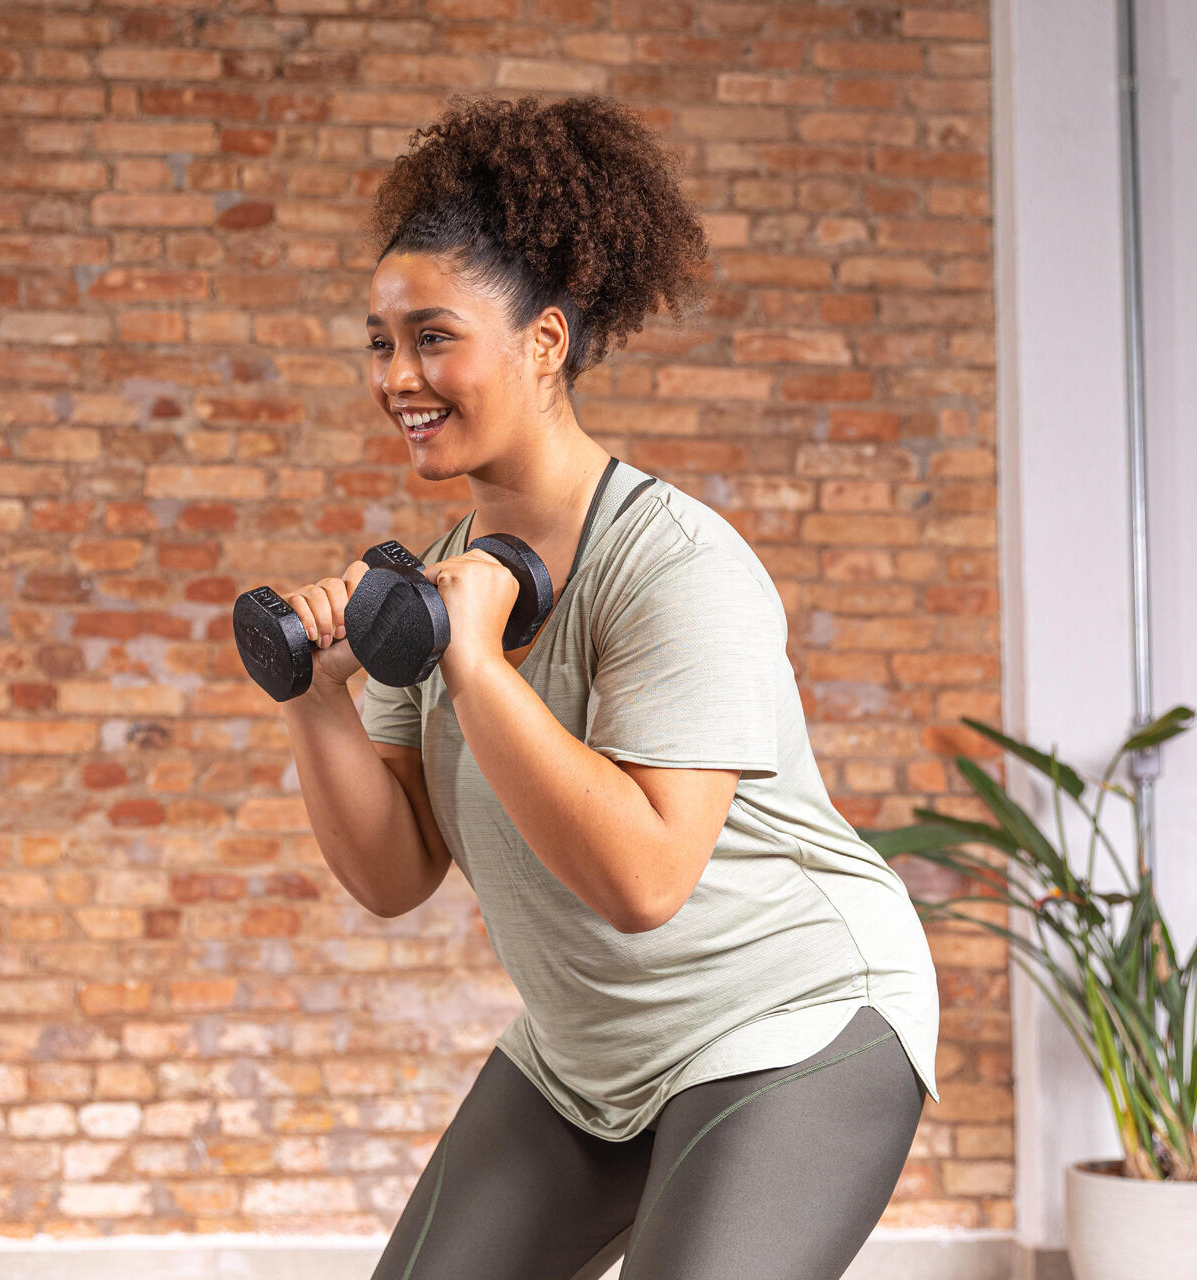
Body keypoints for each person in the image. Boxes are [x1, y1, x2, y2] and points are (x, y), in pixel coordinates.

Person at [271, 93, 941, 1280]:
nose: (398, 376)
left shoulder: (680, 567)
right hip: (588, 1059)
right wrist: (316, 699)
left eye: (434, 335)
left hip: (792, 1023)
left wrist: (475, 662)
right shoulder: (428, 589)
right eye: (380, 341)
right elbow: (392, 873)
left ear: (545, 340)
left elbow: (644, 879)